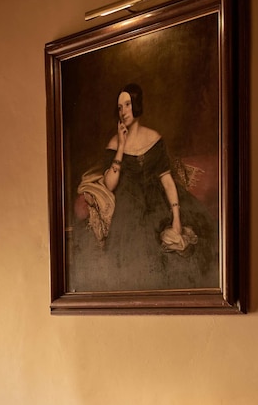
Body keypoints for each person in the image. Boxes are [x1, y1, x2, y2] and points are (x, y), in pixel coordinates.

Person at [71, 83, 218, 292]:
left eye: (127, 105)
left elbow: (167, 180)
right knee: (138, 249)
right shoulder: (114, 143)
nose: (123, 111)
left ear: (137, 105)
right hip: (130, 203)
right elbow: (110, 184)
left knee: (186, 242)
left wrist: (176, 219)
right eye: (120, 107)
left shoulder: (154, 139)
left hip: (158, 199)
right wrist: (121, 146)